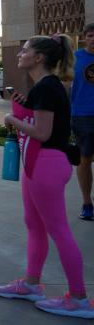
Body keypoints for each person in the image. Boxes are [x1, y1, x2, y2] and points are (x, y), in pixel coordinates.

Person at [0, 35, 94, 318]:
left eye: (25, 51)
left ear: (39, 58)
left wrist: (13, 120)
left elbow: (43, 133)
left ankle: (78, 298)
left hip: (46, 164)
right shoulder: (44, 88)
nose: (19, 54)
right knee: (34, 225)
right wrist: (23, 108)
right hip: (37, 163)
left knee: (58, 230)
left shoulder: (47, 88)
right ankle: (31, 284)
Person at [72, 23, 94, 220]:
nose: (93, 39)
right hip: (82, 115)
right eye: (90, 35)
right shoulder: (75, 58)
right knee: (84, 160)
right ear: (84, 38)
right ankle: (87, 203)